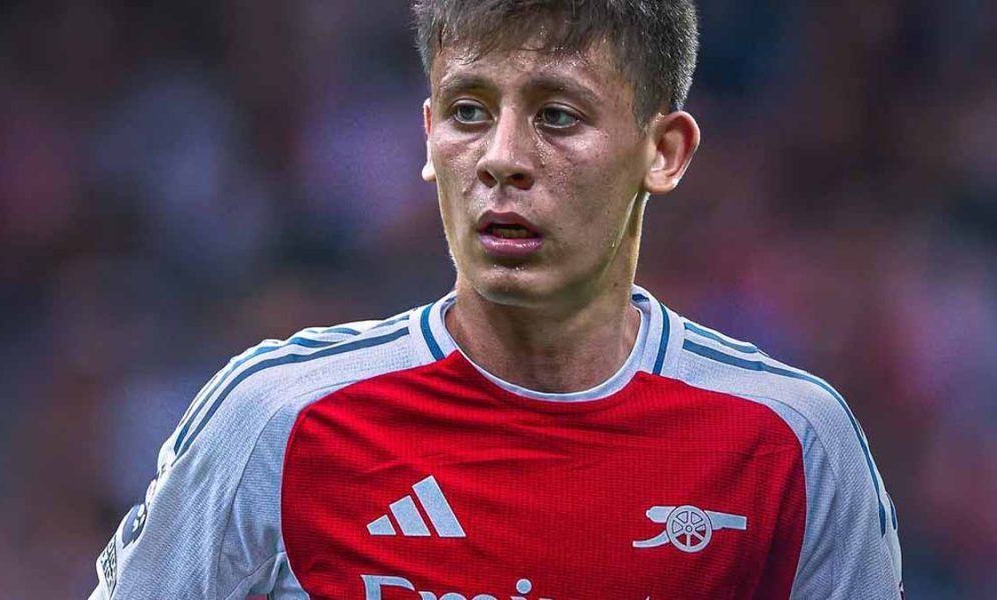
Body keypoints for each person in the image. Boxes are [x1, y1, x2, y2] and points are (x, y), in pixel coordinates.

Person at [90, 1, 903, 598]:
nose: (501, 157)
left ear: (664, 151)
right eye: (469, 112)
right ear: (428, 138)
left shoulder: (791, 444)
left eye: (558, 115)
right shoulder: (275, 418)